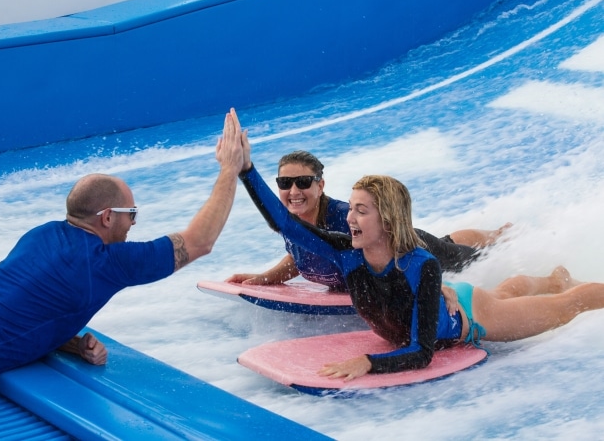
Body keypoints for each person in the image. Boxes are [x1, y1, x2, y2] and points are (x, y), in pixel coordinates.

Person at [0, 108, 245, 418]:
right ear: (108, 217)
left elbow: (20, 309)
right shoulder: (106, 262)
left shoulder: (42, 234)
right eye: (132, 214)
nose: (134, 224)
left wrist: (71, 343)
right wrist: (230, 168)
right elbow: (199, 242)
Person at [234, 115, 604, 380]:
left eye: (361, 211)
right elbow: (285, 224)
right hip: (451, 294)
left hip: (473, 318)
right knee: (505, 292)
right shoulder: (346, 251)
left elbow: (421, 351)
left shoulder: (420, 265)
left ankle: (559, 286)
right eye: (352, 209)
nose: (349, 218)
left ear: (388, 222)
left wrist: (370, 362)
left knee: (567, 305)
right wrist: (246, 169)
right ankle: (554, 278)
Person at [226, 149, 510, 292]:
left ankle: (502, 236)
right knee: (449, 243)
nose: (294, 191)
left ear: (320, 185)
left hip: (412, 247)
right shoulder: (292, 221)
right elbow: (301, 254)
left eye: (303, 182)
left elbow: (389, 259)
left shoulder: (341, 217)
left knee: (470, 259)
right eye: (285, 182)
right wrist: (263, 279)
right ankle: (487, 234)